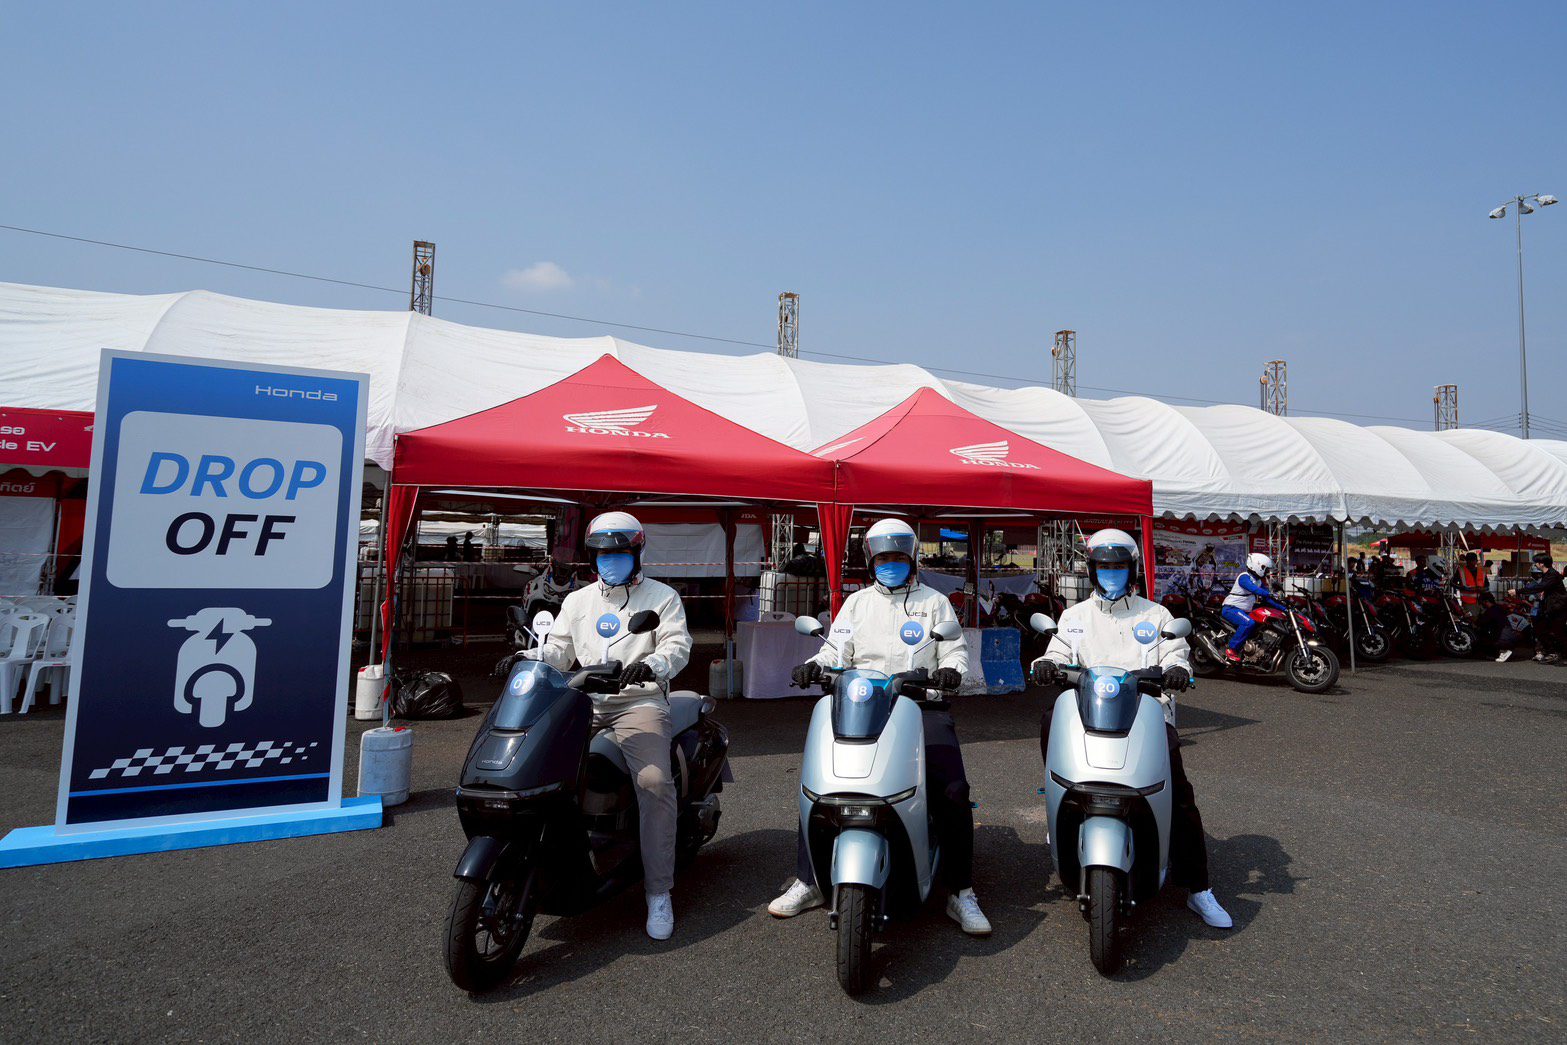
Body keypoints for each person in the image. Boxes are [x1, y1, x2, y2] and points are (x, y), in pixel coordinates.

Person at [768, 518, 992, 935]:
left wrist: (950, 672)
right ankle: (809, 880)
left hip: (919, 705)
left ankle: (960, 890)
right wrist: (815, 665)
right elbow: (836, 649)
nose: (891, 564)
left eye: (898, 557)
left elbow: (954, 651)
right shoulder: (857, 604)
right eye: (884, 558)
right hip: (861, 705)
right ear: (871, 561)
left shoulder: (934, 603)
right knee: (819, 782)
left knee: (952, 790)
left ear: (912, 558)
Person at [1028, 528, 1233, 929]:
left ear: (1132, 569)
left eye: (1119, 566)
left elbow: (1175, 652)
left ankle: (1198, 888)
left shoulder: (1155, 615)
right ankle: (1058, 806)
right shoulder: (1074, 617)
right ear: (1092, 571)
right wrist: (1046, 664)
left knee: (1180, 796)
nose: (1111, 573)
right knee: (1051, 719)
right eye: (1104, 567)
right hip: (1088, 713)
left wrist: (1177, 669)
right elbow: (1058, 650)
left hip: (1147, 715)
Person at [532, 512, 691, 940]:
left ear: (637, 553)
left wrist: (652, 665)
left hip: (638, 700)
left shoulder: (662, 597)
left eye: (619, 553)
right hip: (582, 698)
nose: (610, 561)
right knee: (537, 763)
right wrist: (529, 658)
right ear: (593, 557)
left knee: (654, 782)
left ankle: (658, 891)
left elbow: (677, 645)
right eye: (603, 554)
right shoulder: (577, 601)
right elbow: (560, 650)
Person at [1219, 552, 1287, 664]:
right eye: (1265, 569)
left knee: (1261, 624)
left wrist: (1284, 608)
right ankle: (1231, 649)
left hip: (1244, 610)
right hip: (1231, 609)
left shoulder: (1258, 581)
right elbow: (1254, 589)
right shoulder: (1244, 577)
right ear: (1257, 566)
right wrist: (1270, 593)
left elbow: (1268, 598)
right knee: (1248, 623)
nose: (1267, 572)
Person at [1514, 552, 1566, 663]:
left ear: (1542, 564)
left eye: (1536, 562)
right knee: (1549, 631)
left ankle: (1561, 655)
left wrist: (1517, 591)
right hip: (1551, 608)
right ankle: (1554, 654)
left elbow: (1539, 587)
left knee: (1558, 632)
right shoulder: (1547, 575)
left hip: (1559, 608)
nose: (1535, 564)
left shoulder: (1552, 574)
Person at [1456, 552, 1488, 617]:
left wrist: (1483, 589)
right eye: (1469, 560)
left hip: (1481, 601)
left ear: (1476, 561)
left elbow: (1487, 586)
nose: (1471, 562)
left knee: (1482, 620)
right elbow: (1452, 583)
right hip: (1468, 603)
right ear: (1466, 561)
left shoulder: (1481, 571)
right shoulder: (1461, 571)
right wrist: (1463, 588)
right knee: (1471, 620)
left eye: (1473, 560)